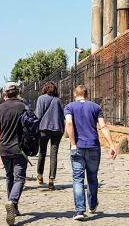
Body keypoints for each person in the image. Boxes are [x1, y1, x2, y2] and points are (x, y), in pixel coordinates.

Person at [64, 84, 117, 221]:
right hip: (94, 146)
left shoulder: (70, 107)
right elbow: (103, 126)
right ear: (86, 94)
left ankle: (79, 210)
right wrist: (112, 145)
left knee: (78, 179)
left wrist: (73, 143)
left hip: (78, 147)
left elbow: (69, 124)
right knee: (92, 177)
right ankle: (92, 205)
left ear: (75, 94)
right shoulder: (96, 107)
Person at [0, 82, 28, 225]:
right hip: (20, 148)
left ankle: (14, 206)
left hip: (5, 149)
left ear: (5, 93)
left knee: (9, 177)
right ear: (18, 92)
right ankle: (12, 203)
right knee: (19, 178)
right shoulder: (23, 106)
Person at [34, 81, 65, 189]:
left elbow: (38, 115)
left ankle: (40, 175)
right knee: (54, 154)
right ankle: (51, 178)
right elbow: (63, 116)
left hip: (44, 128)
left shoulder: (41, 99)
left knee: (42, 152)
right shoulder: (58, 100)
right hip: (57, 129)